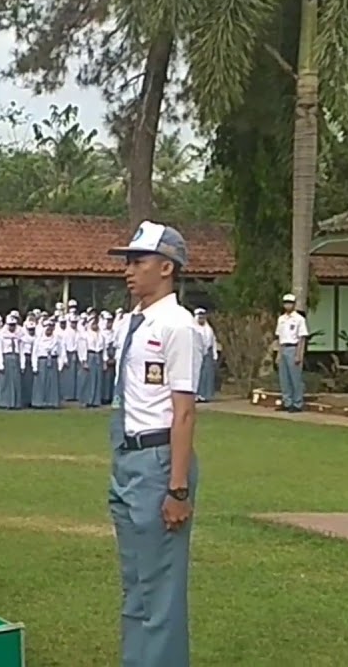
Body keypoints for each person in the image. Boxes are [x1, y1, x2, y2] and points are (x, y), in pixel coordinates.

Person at [105, 220, 200, 667]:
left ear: (166, 268)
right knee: (136, 581)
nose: (128, 270)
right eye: (127, 261)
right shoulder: (134, 322)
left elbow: (183, 410)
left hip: (160, 461)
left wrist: (177, 488)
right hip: (129, 458)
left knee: (160, 586)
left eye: (137, 261)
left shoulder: (178, 326)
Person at [275, 294, 308, 412]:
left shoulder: (299, 319)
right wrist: (278, 353)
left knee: (295, 378)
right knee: (284, 378)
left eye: (290, 303)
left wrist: (299, 354)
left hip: (293, 348)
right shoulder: (281, 319)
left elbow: (301, 338)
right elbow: (279, 337)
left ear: (294, 304)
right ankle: (287, 401)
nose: (287, 305)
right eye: (286, 303)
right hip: (283, 347)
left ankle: (297, 403)